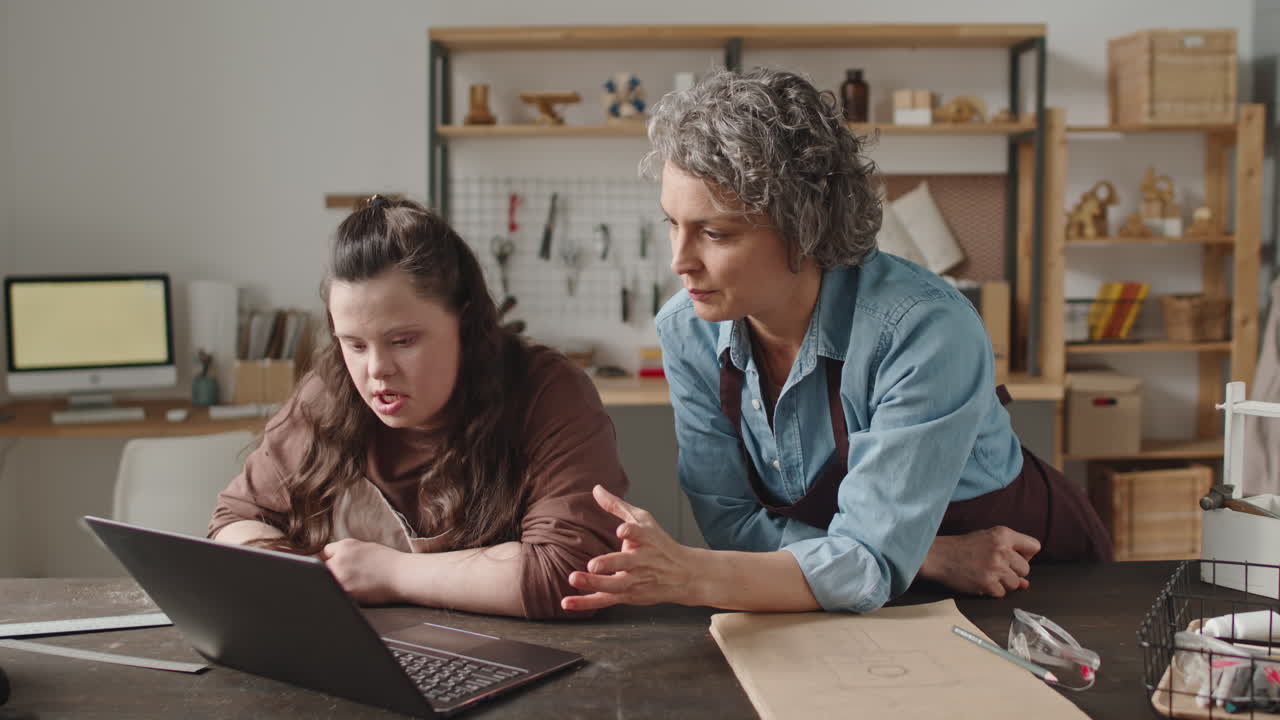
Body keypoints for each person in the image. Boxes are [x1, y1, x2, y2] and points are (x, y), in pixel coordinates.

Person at [562, 67, 1111, 615]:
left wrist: (686, 574)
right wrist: (925, 555)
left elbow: (864, 557)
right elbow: (733, 524)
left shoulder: (925, 330)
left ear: (804, 228)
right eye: (672, 224)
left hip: (1022, 582)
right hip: (861, 588)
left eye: (715, 233)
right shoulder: (688, 329)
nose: (679, 261)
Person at [210, 196, 628, 619]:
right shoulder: (329, 393)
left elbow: (571, 575)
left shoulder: (548, 393)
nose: (376, 370)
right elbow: (233, 520)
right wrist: (299, 576)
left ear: (464, 325)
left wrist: (391, 572)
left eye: (403, 341)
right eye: (354, 344)